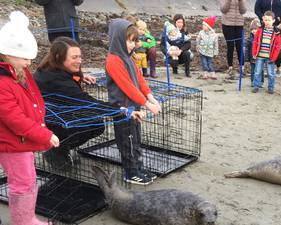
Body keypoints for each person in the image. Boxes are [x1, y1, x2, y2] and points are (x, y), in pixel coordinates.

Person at [0, 11, 59, 225]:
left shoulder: (20, 72)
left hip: (22, 140)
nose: (27, 62)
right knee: (23, 183)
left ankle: (27, 218)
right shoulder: (3, 82)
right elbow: (14, 118)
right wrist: (43, 133)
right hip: (11, 142)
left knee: (28, 179)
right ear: (6, 53)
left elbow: (34, 100)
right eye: (24, 57)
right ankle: (23, 221)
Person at [34, 37, 117, 171]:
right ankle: (56, 151)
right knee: (90, 124)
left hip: (59, 110)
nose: (79, 60)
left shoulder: (52, 67)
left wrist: (81, 77)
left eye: (80, 56)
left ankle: (60, 148)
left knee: (97, 124)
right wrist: (119, 110)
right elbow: (85, 101)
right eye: (74, 57)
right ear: (59, 57)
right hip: (48, 119)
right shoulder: (54, 78)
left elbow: (70, 79)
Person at [106, 18, 161, 185]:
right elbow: (127, 87)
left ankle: (138, 167)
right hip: (122, 109)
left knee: (135, 138)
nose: (132, 45)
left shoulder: (129, 58)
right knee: (126, 140)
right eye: (129, 41)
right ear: (117, 39)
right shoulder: (113, 60)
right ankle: (130, 172)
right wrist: (147, 104)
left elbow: (140, 81)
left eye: (134, 41)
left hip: (135, 107)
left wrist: (151, 97)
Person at [251, 11, 281, 94]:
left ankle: (271, 87)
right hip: (260, 55)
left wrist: (274, 58)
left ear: (273, 21)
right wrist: (254, 53)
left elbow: (277, 47)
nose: (267, 22)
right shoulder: (260, 30)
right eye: (265, 20)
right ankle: (256, 85)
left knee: (271, 73)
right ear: (263, 20)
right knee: (257, 72)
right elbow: (255, 42)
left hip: (270, 57)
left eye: (269, 20)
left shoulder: (276, 33)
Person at [220, 0, 247, 79]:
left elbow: (243, 11)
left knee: (239, 46)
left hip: (239, 24)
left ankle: (241, 67)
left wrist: (241, 1)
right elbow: (223, 9)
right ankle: (230, 68)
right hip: (227, 24)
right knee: (230, 46)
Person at [245, 18, 263, 85]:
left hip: (260, 57)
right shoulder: (249, 39)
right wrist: (246, 59)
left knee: (260, 70)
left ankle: (261, 81)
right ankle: (253, 81)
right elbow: (247, 49)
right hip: (252, 57)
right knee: (253, 70)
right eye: (252, 29)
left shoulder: (261, 38)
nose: (254, 31)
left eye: (255, 29)